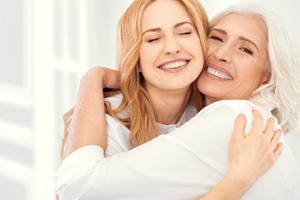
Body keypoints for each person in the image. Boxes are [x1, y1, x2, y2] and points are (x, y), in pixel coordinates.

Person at [55, 1, 300, 200]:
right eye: (216, 38)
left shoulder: (235, 120)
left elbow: (75, 187)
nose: (172, 48)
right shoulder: (107, 127)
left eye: (184, 32)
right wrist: (236, 183)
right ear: (135, 56)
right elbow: (74, 188)